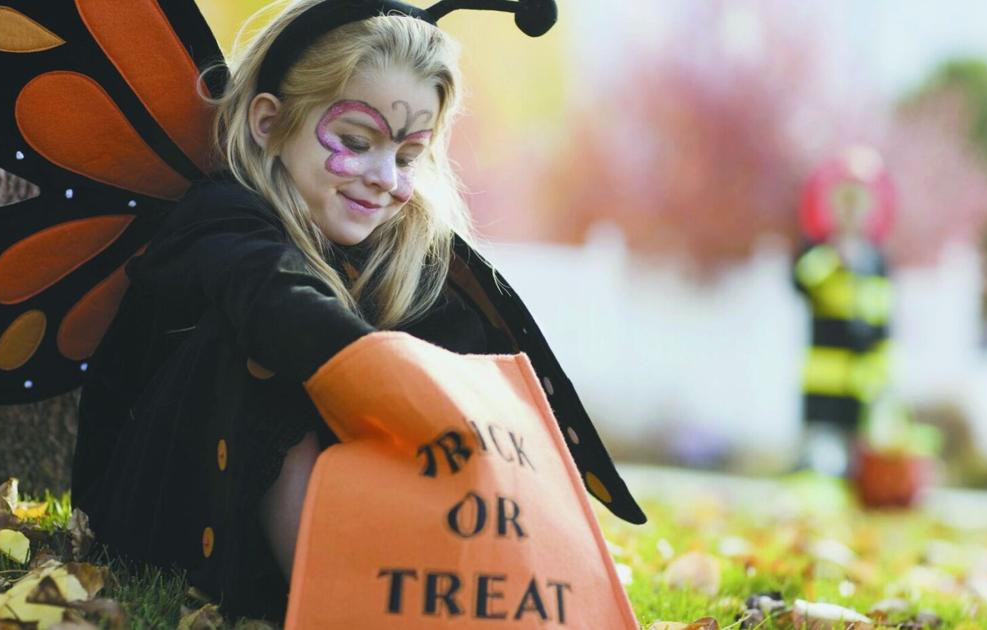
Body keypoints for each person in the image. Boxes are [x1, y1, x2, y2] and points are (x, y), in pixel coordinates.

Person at [64, 0, 645, 622]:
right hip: (173, 519)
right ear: (269, 123)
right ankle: (348, 609)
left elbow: (470, 378)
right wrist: (386, 374)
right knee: (271, 356)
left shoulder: (405, 255)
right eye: (355, 141)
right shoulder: (221, 219)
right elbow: (273, 299)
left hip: (331, 532)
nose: (384, 179)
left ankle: (439, 593)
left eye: (407, 157)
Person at [793, 146, 895, 477]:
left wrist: (882, 378)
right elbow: (800, 283)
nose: (851, 210)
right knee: (818, 460)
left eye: (858, 201)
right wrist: (833, 257)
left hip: (860, 383)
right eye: (844, 200)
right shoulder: (817, 252)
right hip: (824, 379)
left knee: (857, 465)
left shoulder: (876, 261)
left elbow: (882, 324)